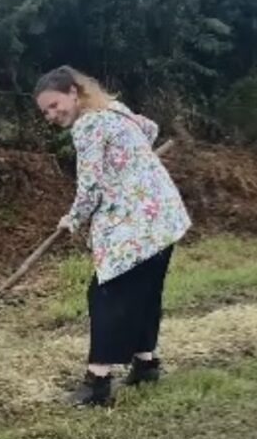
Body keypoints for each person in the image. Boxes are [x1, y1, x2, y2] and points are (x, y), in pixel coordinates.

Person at [34, 65, 191, 407]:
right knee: (145, 294)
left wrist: (72, 220)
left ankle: (97, 383)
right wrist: (131, 161)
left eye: (54, 104)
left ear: (73, 93)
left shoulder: (88, 125)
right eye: (45, 111)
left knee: (105, 295)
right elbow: (149, 128)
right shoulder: (112, 110)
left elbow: (89, 187)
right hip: (164, 215)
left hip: (136, 223)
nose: (51, 114)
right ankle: (146, 364)